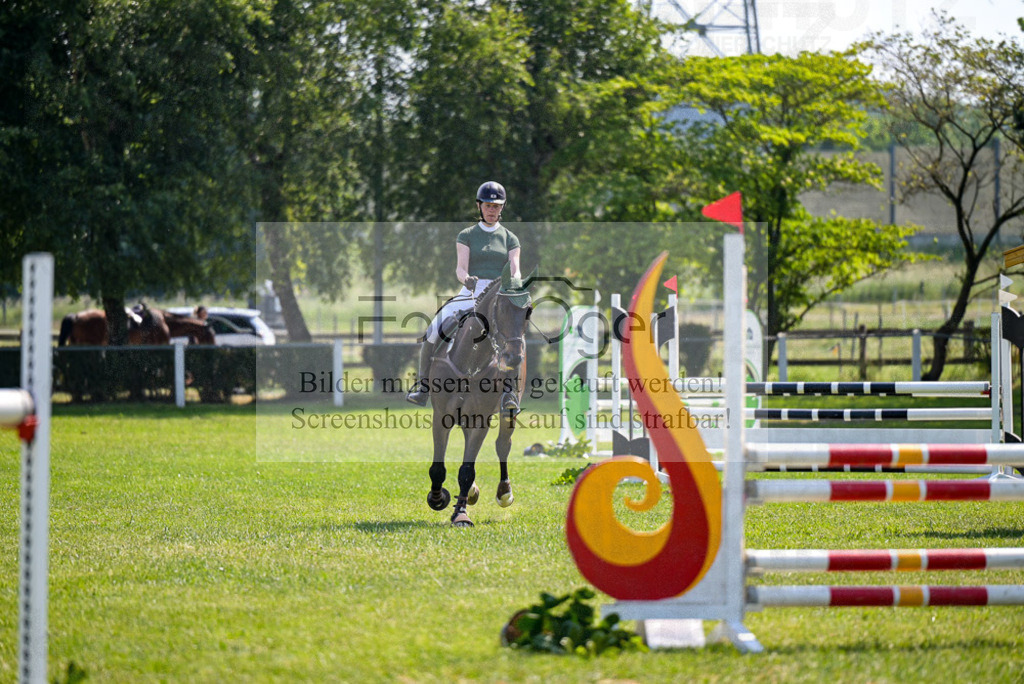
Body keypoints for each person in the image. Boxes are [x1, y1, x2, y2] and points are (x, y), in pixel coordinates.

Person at [406, 181, 522, 409]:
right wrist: (466, 278)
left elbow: (515, 267)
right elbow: (460, 268)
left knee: (515, 338)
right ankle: (423, 386)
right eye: (488, 205)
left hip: (501, 293)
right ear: (479, 206)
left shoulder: (510, 238)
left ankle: (509, 394)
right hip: (472, 290)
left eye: (496, 206)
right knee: (433, 328)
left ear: (502, 208)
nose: (492, 210)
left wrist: (515, 283)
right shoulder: (467, 235)